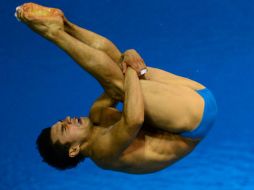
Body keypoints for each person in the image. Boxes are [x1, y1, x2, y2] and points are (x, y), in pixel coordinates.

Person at [15, 3, 217, 174]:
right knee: (120, 83)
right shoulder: (102, 151)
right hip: (193, 122)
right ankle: (54, 33)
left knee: (117, 70)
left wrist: (126, 61)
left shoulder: (97, 116)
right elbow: (134, 118)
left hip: (194, 97)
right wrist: (130, 63)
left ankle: (65, 25)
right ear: (74, 150)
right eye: (64, 128)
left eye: (62, 120)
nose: (68, 119)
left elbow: (112, 73)